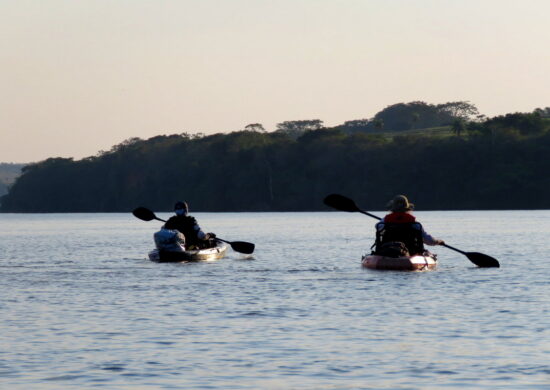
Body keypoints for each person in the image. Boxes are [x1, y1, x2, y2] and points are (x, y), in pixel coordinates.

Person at [374, 195, 444, 256]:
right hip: (410, 251)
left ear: (393, 207)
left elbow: (377, 227)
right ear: (407, 208)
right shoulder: (414, 222)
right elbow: (427, 240)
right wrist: (438, 241)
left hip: (387, 250)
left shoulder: (385, 221)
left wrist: (392, 222)